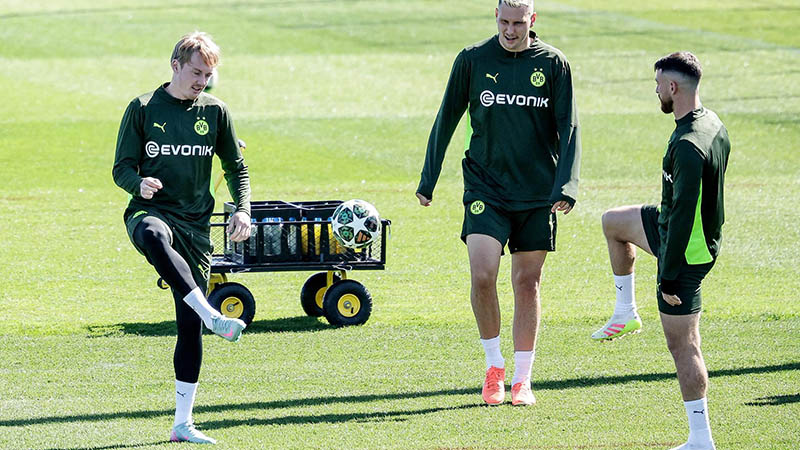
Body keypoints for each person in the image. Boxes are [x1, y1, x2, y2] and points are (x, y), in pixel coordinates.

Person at [416, 0, 581, 406]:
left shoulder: (554, 63)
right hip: (485, 188)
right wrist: (428, 178)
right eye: (504, 22)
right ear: (495, 16)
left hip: (537, 191)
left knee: (527, 283)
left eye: (518, 23)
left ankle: (523, 379)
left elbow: (569, 125)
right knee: (483, 275)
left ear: (532, 20)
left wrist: (568, 184)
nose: (510, 30)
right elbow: (446, 117)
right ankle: (494, 368)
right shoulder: (472, 60)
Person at [112, 31, 252, 444]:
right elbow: (121, 168)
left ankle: (182, 425)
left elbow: (236, 167)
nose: (201, 82)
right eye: (196, 72)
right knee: (154, 234)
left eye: (208, 75)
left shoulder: (216, 112)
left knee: (187, 328)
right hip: (150, 211)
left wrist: (242, 208)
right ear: (175, 65)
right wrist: (139, 185)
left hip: (195, 226)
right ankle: (213, 315)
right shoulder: (142, 108)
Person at [591, 52, 729, 450]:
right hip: (671, 224)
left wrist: (669, 276)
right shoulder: (710, 122)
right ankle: (624, 313)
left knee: (683, 345)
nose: (654, 90)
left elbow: (686, 216)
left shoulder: (688, 146)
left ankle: (701, 440)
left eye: (657, 85)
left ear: (673, 87)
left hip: (685, 252)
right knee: (613, 222)